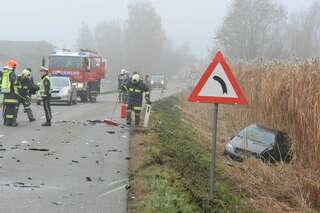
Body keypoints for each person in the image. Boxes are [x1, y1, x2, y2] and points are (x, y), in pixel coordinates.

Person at [1, 60, 18, 126]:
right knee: (12, 109)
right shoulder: (11, 73)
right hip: (11, 94)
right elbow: (14, 82)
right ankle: (12, 122)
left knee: (6, 109)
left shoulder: (5, 73)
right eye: (15, 66)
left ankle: (6, 122)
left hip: (5, 94)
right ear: (13, 66)